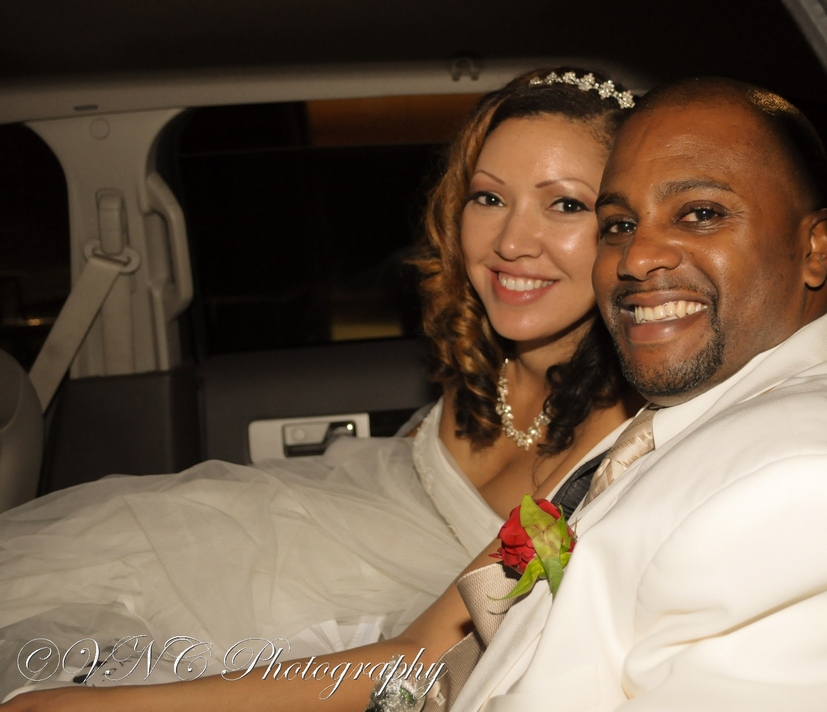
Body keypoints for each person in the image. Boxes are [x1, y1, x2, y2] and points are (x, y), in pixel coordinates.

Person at [0, 67, 638, 701]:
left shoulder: (614, 452)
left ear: (629, 228)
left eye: (566, 205)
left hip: (372, 634)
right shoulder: (488, 354)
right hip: (290, 543)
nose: (511, 242)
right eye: (489, 198)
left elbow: (423, 656)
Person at [449, 78, 827, 711]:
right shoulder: (816, 371)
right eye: (619, 224)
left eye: (701, 214)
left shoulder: (813, 497)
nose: (636, 258)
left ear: (815, 248)